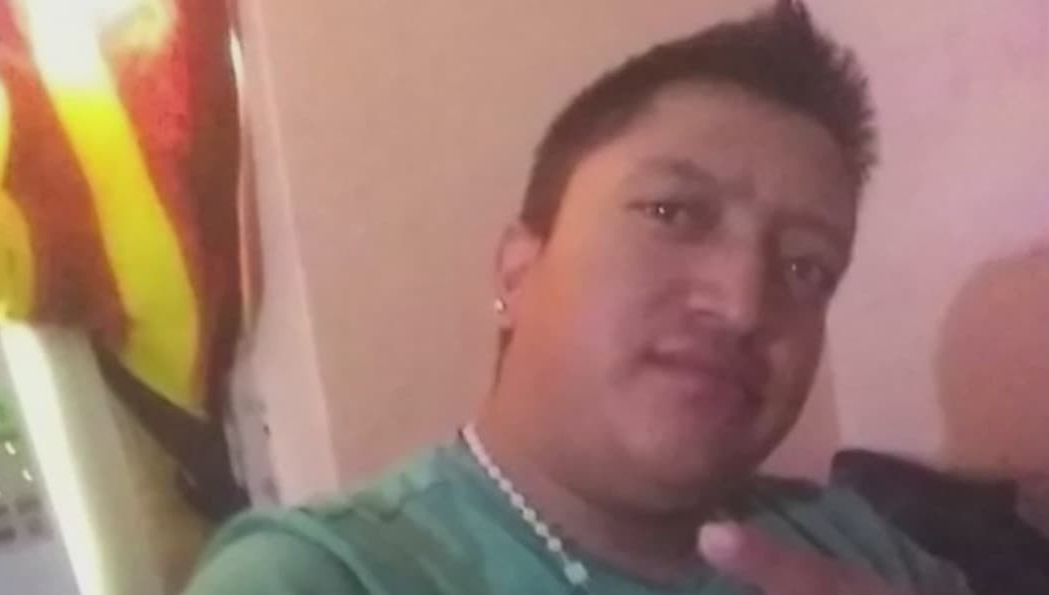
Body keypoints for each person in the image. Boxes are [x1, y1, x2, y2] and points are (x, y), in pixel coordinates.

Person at [184, 2, 972, 594]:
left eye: (806, 266)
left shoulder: (856, 545)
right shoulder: (318, 576)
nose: (741, 304)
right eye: (671, 212)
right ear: (515, 271)